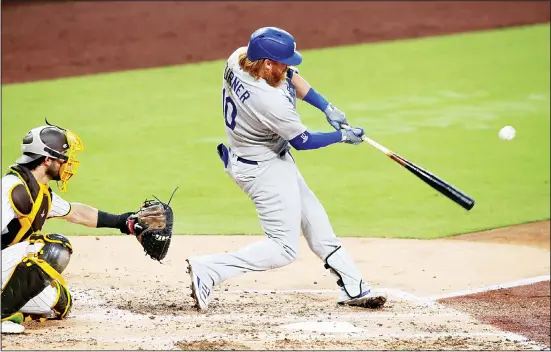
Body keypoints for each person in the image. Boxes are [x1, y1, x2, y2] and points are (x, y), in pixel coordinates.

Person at [186, 27, 387, 311]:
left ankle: (353, 286)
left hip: (266, 158)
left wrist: (325, 106)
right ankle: (210, 269)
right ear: (268, 63)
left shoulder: (239, 58)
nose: (289, 66)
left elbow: (290, 77)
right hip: (262, 169)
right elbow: (303, 141)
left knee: (315, 219)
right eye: (283, 61)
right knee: (283, 248)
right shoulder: (268, 102)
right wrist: (342, 136)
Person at [1, 121, 149, 334]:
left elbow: (77, 213)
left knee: (59, 301)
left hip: (4, 266)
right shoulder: (11, 189)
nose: (68, 163)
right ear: (47, 160)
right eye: (63, 157)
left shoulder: (40, 193)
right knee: (53, 249)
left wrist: (125, 222)